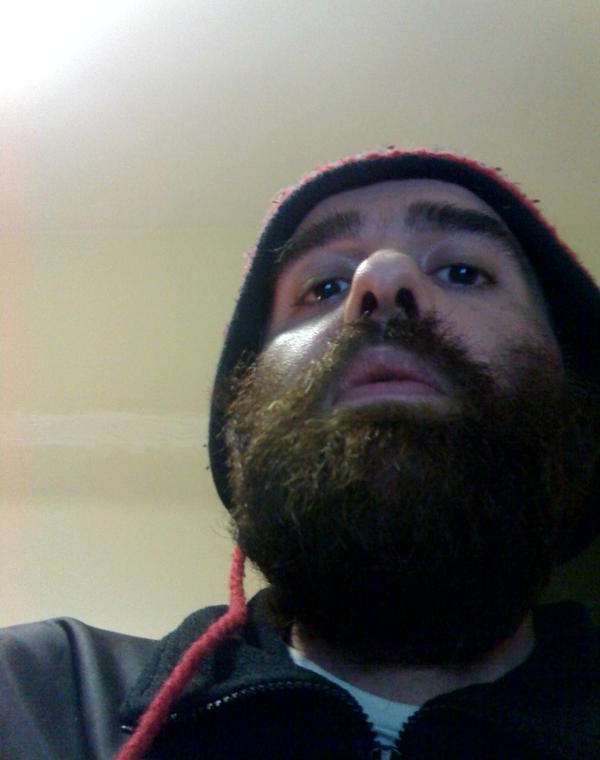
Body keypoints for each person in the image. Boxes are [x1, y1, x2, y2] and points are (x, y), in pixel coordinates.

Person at [1, 148, 599, 760]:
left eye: (464, 273)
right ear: (239, 437)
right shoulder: (37, 693)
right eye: (325, 286)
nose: (381, 280)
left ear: (579, 412)